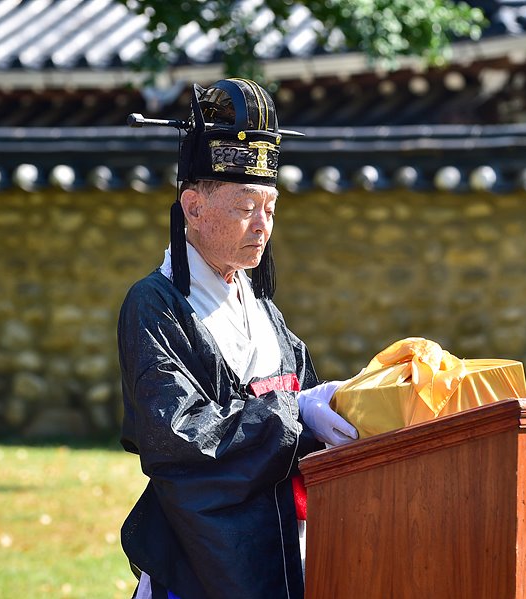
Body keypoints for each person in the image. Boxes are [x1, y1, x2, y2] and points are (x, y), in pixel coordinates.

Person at [117, 78, 358, 599]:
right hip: (197, 555)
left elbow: (301, 410)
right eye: (246, 207)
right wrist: (296, 413)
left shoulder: (261, 306)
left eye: (270, 208)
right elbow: (179, 434)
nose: (262, 226)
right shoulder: (154, 305)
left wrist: (341, 406)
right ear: (194, 208)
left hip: (279, 540)